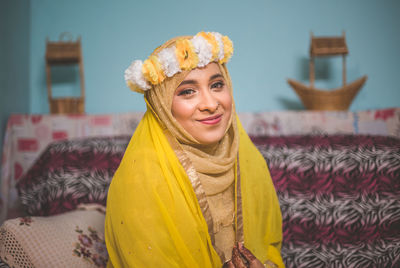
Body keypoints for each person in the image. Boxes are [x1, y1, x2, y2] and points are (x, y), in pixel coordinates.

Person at [105, 31, 284, 268]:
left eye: (217, 85)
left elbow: (269, 246)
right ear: (161, 104)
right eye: (188, 91)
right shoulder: (141, 180)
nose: (211, 104)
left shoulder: (247, 159)